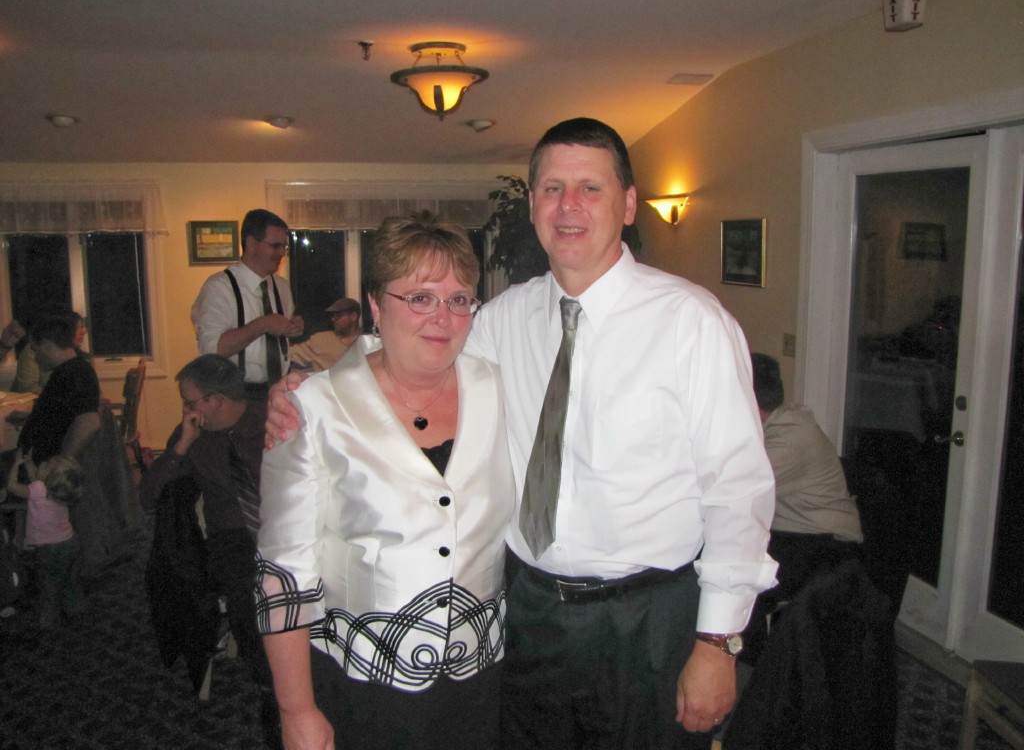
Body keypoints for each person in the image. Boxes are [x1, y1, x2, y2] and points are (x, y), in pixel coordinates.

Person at [266, 119, 777, 749]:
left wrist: (718, 641)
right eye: (553, 188)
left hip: (647, 623)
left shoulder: (691, 322)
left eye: (590, 188)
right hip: (529, 616)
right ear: (533, 204)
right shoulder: (504, 318)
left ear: (628, 204)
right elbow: (423, 341)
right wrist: (314, 386)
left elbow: (738, 489)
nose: (569, 206)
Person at [256, 212, 514, 750]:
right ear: (376, 304)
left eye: (459, 299)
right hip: (363, 684)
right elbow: (284, 574)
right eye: (420, 297)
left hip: (481, 680)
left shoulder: (500, 386)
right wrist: (296, 709)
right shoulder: (315, 406)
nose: (442, 317)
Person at [139, 354, 280, 746]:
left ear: (217, 400)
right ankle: (270, 685)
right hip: (233, 538)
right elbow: (148, 497)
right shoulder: (195, 436)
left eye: (190, 401)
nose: (186, 409)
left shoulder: (274, 420)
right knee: (247, 595)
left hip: (288, 527)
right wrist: (182, 445)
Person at [742, 352, 863, 662]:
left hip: (828, 545)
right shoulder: (775, 423)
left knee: (745, 575)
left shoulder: (789, 438)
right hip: (795, 532)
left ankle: (753, 669)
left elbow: (737, 491)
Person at [191, 209, 304, 400]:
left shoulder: (282, 287)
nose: (281, 253)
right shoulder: (219, 287)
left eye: (284, 247)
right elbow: (212, 351)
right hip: (234, 397)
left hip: (279, 391)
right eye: (275, 246)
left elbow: (279, 340)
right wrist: (263, 324)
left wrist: (292, 328)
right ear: (251, 243)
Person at [4, 450, 86, 629]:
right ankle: (76, 609)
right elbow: (38, 477)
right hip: (71, 542)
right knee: (70, 579)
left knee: (49, 584)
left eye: (46, 466)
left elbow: (12, 486)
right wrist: (29, 462)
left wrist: (16, 464)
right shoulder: (60, 491)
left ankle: (49, 620)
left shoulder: (37, 490)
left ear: (50, 480)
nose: (42, 464)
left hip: (52, 549)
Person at [17, 313, 100, 465]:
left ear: (47, 345)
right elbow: (61, 415)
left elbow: (89, 422)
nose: (35, 357)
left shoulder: (75, 373)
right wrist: (32, 417)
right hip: (31, 461)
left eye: (35, 350)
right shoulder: (66, 371)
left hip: (41, 467)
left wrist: (59, 465)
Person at [12, 312, 88, 395]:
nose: (84, 332)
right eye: (78, 327)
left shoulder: (82, 360)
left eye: (82, 327)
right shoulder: (35, 349)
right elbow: (27, 388)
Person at [288, 298, 361, 372]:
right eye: (333, 315)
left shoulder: (365, 342)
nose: (333, 319)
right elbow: (289, 356)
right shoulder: (321, 340)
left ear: (353, 316)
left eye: (338, 315)